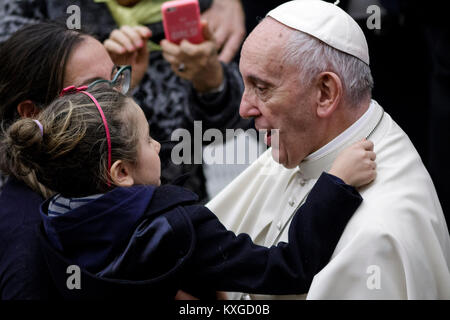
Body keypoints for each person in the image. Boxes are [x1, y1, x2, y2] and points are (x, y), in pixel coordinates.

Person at [0, 86, 376, 299]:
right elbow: (287, 270)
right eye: (148, 140)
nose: (159, 147)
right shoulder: (175, 227)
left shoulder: (53, 220)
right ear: (121, 172)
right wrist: (336, 184)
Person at [207, 0, 450, 299]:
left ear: (325, 93)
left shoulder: (378, 234)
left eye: (262, 88)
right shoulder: (305, 140)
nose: (244, 109)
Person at [0, 0, 247, 201]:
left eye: (117, 79)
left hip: (178, 212)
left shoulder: (209, 9)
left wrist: (211, 82)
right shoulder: (28, 11)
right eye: (96, 84)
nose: (156, 146)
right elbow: (19, 105)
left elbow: (231, 129)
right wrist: (114, 93)